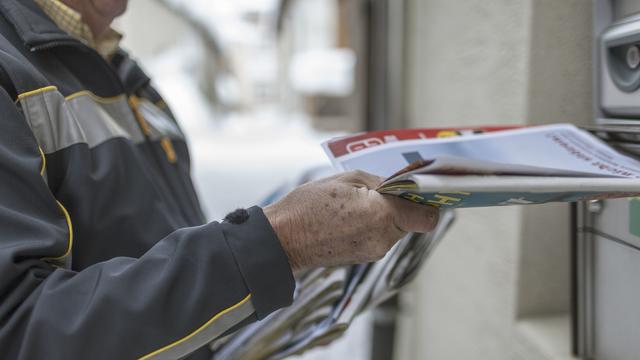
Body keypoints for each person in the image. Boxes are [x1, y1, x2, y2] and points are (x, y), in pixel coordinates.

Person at [0, 0, 439, 358]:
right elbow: (20, 334)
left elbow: (160, 246)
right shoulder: (13, 71)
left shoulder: (124, 75)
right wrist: (283, 241)